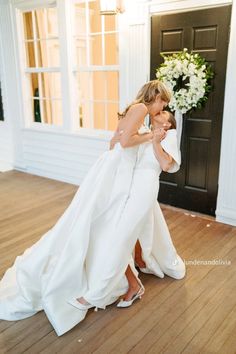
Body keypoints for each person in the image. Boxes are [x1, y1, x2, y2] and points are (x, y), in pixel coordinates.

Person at [0, 80, 185, 337]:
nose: (163, 107)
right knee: (108, 231)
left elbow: (115, 142)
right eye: (163, 102)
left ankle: (122, 284)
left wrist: (138, 145)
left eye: (165, 107)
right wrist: (147, 138)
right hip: (121, 179)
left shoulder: (141, 115)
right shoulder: (142, 111)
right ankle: (127, 284)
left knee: (108, 231)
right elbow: (121, 143)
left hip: (125, 180)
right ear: (155, 96)